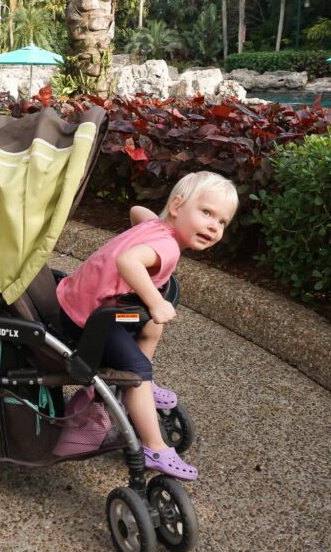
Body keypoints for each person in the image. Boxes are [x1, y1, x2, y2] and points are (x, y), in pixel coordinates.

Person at [55, 171, 239, 480]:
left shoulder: (157, 225)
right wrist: (155, 301)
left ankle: (142, 389)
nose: (213, 226)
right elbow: (128, 261)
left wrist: (158, 219)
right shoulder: (166, 248)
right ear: (178, 207)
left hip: (77, 299)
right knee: (137, 368)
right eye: (206, 212)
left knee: (152, 326)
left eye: (222, 222)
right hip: (88, 321)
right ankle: (153, 446)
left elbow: (136, 212)